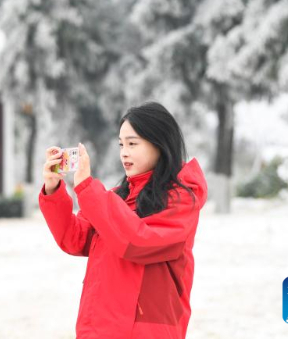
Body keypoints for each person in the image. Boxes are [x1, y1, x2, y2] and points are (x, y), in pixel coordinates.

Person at [39, 101, 208, 339]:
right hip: (100, 328)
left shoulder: (181, 199)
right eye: (121, 144)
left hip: (147, 331)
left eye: (132, 144)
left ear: (159, 144)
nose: (124, 152)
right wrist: (53, 188)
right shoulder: (119, 197)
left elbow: (137, 241)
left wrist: (88, 189)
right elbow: (75, 238)